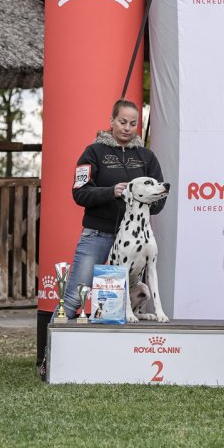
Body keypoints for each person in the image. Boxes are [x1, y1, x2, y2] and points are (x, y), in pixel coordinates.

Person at [62, 99, 166, 319]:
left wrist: (145, 200)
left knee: (129, 296)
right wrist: (111, 191)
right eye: (122, 122)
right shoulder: (93, 152)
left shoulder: (147, 157)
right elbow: (79, 193)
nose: (127, 128)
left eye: (133, 123)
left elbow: (160, 198)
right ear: (111, 121)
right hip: (98, 234)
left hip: (135, 239)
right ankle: (51, 342)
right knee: (73, 298)